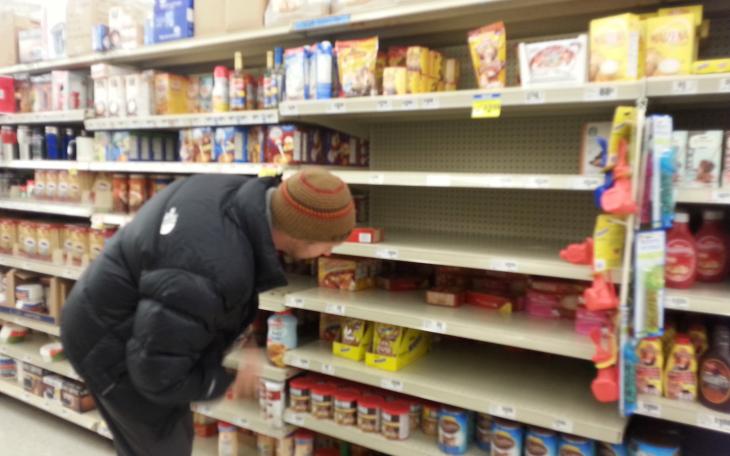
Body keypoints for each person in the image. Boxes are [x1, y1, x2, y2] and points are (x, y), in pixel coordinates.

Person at [61, 168, 355, 455]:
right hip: (105, 343)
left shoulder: (233, 192)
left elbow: (195, 298)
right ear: (303, 235)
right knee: (161, 445)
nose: (328, 254)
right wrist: (224, 382)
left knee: (171, 431)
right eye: (330, 243)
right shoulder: (214, 268)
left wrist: (244, 336)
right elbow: (156, 377)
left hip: (120, 310)